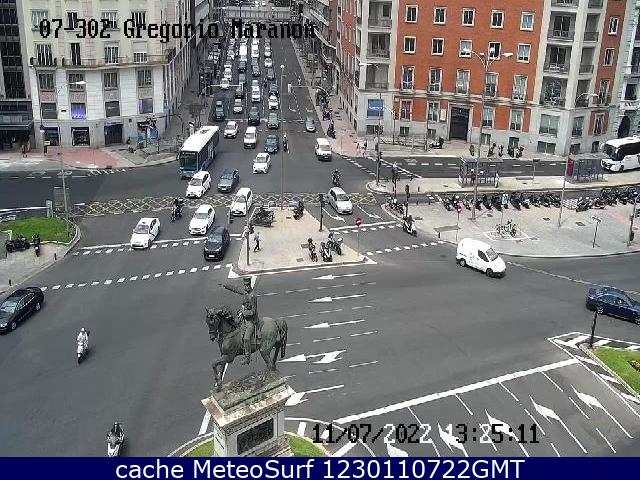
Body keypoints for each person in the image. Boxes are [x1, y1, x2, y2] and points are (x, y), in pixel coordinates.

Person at [222, 278, 258, 364]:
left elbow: (253, 311)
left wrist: (243, 312)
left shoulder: (252, 296)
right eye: (245, 286)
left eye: (247, 286)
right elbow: (237, 290)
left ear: (250, 285)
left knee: (246, 338)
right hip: (243, 319)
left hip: (251, 321)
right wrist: (226, 286)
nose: (246, 287)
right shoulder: (246, 293)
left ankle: (247, 357)